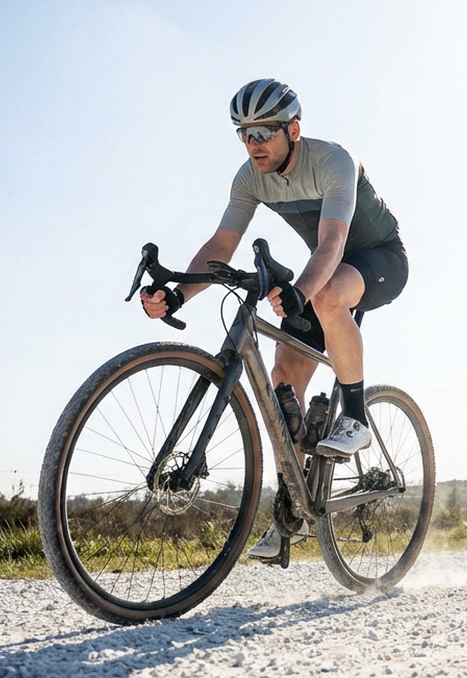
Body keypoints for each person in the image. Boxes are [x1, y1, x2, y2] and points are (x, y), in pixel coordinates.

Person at [139, 78, 409, 559]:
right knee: (284, 381)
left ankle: (354, 417)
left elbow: (331, 245)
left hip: (378, 260)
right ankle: (291, 515)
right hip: (328, 269)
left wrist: (300, 293)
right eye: (243, 133)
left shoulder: (333, 161)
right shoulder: (249, 178)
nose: (253, 144)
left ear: (294, 130)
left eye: (264, 132)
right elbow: (222, 247)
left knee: (324, 298)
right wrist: (178, 296)